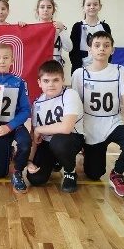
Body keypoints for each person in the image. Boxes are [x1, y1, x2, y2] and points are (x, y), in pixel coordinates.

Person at [71, 31, 124, 198]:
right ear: (90, 49)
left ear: (112, 50)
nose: (101, 49)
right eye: (97, 45)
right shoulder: (79, 74)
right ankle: (87, 153)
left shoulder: (120, 71)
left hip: (113, 122)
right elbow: (75, 105)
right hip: (90, 126)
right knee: (94, 174)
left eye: (106, 45)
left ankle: (117, 173)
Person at [27, 60, 84, 193]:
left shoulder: (70, 94)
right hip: (48, 143)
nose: (51, 84)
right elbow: (34, 137)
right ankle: (57, 161)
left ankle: (70, 172)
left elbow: (66, 128)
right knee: (36, 178)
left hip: (70, 139)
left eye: (55, 80)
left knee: (58, 142)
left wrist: (39, 129)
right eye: (46, 81)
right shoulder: (37, 104)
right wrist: (29, 161)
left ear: (63, 80)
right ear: (39, 83)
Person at [0, 43, 31, 193]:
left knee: (25, 143)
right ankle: (8, 152)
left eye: (6, 58)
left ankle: (18, 172)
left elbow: (25, 110)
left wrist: (9, 126)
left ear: (12, 60)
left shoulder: (19, 82)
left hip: (14, 125)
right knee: (0, 173)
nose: (2, 61)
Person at [69, 0, 112, 74]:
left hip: (102, 69)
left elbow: (108, 48)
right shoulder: (77, 26)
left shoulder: (105, 27)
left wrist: (105, 67)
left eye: (95, 4)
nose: (92, 7)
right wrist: (78, 69)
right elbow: (73, 52)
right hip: (81, 69)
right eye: (88, 5)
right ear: (83, 7)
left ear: (100, 7)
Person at [36, 0, 72, 65]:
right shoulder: (33, 29)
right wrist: (21, 28)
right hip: (38, 65)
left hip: (55, 66)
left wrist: (61, 30)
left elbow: (69, 48)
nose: (45, 10)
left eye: (49, 7)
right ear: (38, 10)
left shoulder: (59, 26)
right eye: (42, 7)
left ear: (53, 10)